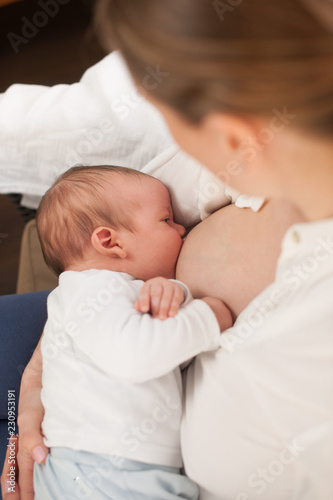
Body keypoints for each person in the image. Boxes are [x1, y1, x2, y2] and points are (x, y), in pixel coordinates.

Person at [2, 1, 329, 499]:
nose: (176, 227)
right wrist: (54, 350)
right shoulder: (261, 152)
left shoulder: (302, 346)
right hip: (75, 441)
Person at [33, 164, 232, 499]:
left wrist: (176, 296)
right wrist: (209, 316)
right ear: (110, 241)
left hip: (102, 469)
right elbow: (134, 357)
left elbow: (157, 365)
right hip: (101, 473)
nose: (181, 229)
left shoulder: (97, 295)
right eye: (166, 220)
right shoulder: (96, 290)